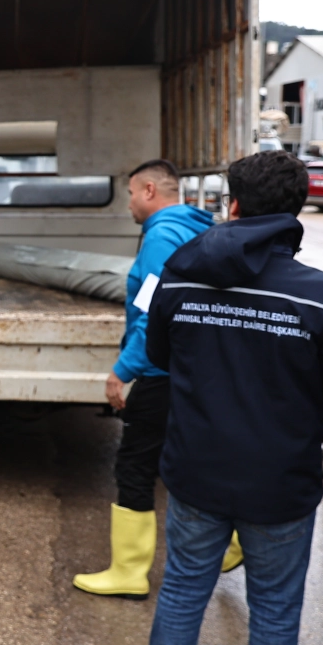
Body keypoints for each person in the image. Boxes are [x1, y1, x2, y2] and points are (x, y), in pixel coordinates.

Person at [130, 151, 323, 645]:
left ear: (232, 205)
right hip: (279, 481)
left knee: (183, 588)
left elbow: (158, 352)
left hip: (194, 470)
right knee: (273, 609)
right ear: (294, 212)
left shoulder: (181, 277)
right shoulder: (321, 295)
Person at [73, 159, 218, 599]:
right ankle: (230, 545)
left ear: (151, 191)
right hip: (192, 367)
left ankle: (130, 572)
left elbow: (152, 308)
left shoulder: (160, 237)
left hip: (160, 370)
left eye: (132, 193)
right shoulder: (195, 228)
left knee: (135, 465)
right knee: (192, 461)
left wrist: (124, 369)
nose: (131, 203)